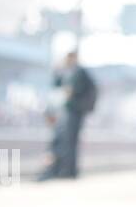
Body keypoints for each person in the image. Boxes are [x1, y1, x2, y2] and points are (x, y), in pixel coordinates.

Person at [39, 51, 98, 181]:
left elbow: (71, 91)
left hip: (74, 112)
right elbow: (56, 85)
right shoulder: (67, 71)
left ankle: (67, 171)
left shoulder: (79, 72)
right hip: (67, 112)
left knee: (69, 142)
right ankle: (64, 170)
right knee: (65, 141)